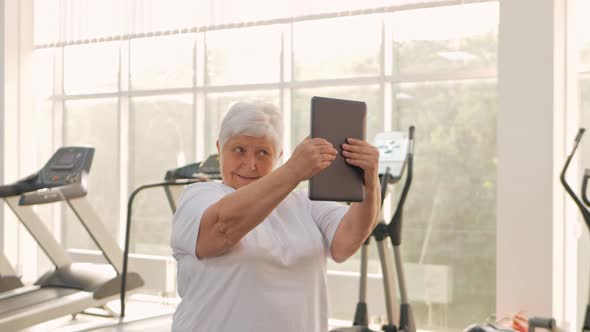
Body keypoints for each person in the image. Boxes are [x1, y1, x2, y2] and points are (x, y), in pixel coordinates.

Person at [170, 101, 380, 332]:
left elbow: (347, 242)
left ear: (278, 155)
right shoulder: (199, 197)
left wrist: (370, 183)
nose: (250, 164)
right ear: (220, 149)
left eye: (263, 153)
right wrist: (294, 170)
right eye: (239, 150)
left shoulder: (305, 203)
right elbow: (221, 228)